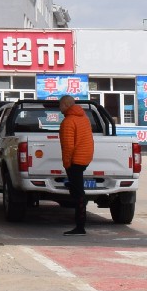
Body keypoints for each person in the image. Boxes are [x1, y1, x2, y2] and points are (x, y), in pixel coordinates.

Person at [57, 94, 94, 235]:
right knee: (77, 191)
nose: (59, 107)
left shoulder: (68, 121)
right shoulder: (84, 118)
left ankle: (80, 227)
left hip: (75, 160)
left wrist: (67, 164)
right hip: (84, 158)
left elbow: (68, 146)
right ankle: (80, 225)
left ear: (66, 105)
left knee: (78, 194)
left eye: (60, 105)